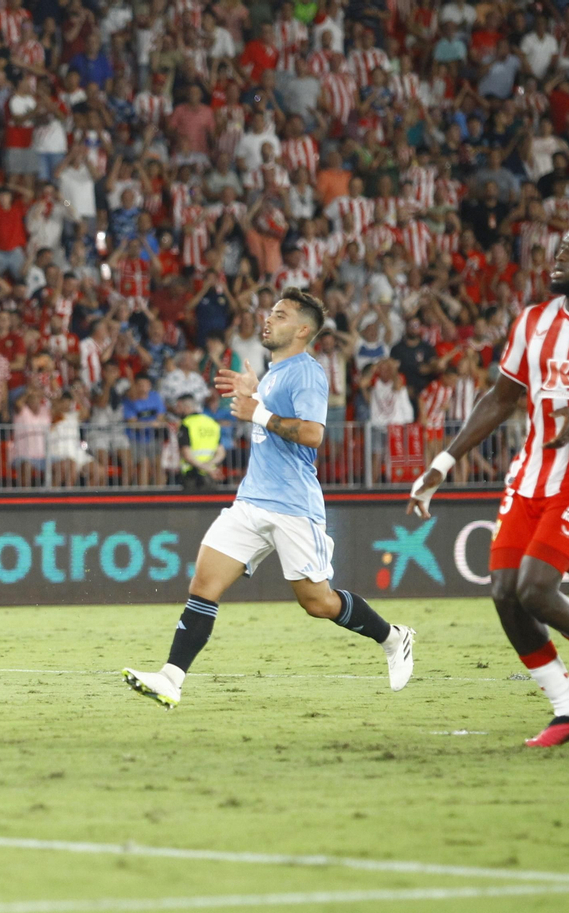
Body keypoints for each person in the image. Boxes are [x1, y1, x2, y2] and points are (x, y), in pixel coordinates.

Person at [408, 227, 569, 747]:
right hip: (528, 476)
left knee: (535, 588)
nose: (558, 255)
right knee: (504, 592)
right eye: (559, 247)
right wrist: (443, 462)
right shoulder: (533, 320)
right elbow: (501, 398)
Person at [124, 289, 415, 707]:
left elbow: (312, 434)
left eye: (280, 315)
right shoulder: (275, 372)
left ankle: (393, 637)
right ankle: (171, 679)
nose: (267, 319)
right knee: (204, 583)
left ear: (302, 330)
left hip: (293, 506)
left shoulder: (308, 373)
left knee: (318, 602)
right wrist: (256, 393)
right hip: (251, 501)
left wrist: (256, 410)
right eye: (271, 312)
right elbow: (275, 415)